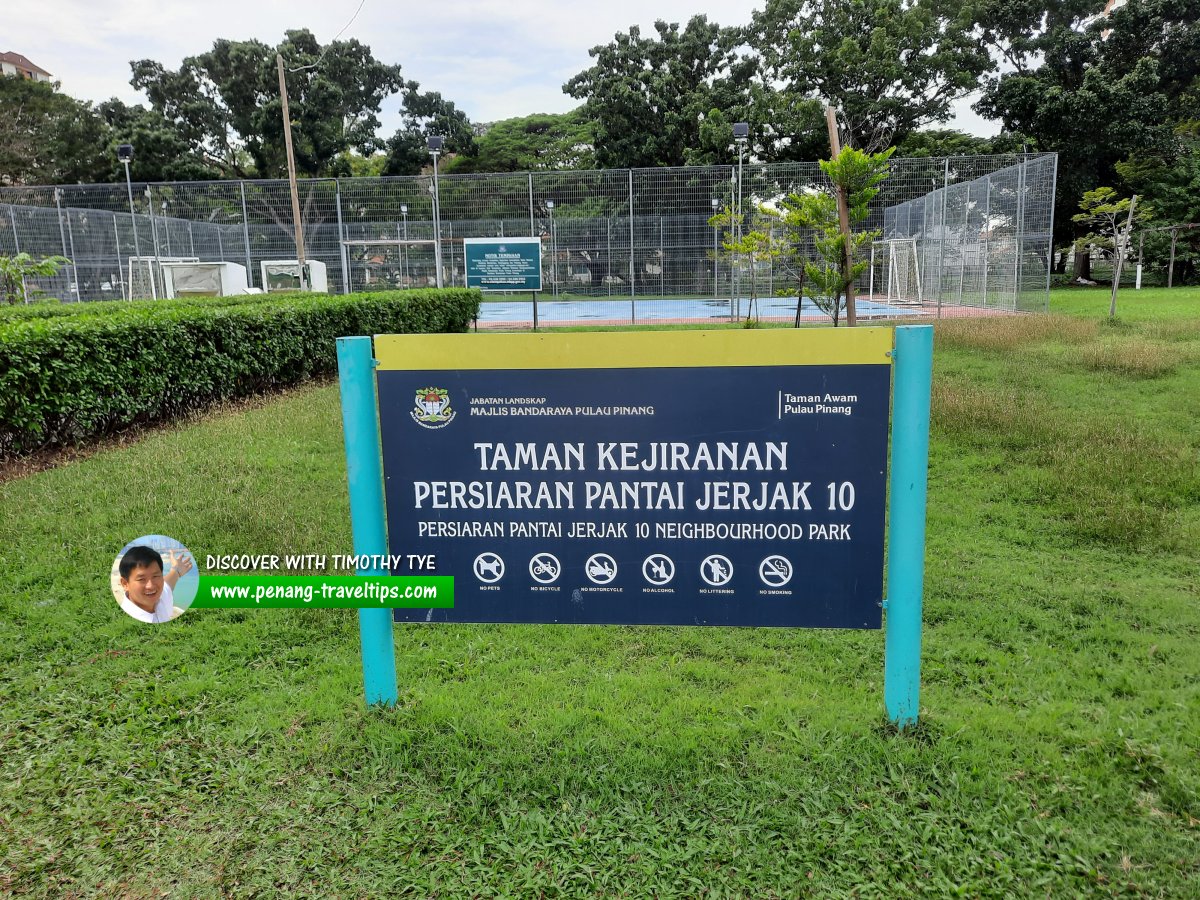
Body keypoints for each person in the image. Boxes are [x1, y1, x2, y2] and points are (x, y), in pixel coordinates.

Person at [117, 545, 193, 623]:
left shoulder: (161, 597)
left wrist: (176, 570)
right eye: (141, 579)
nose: (151, 586)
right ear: (125, 584)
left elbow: (168, 583)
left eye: (155, 576)